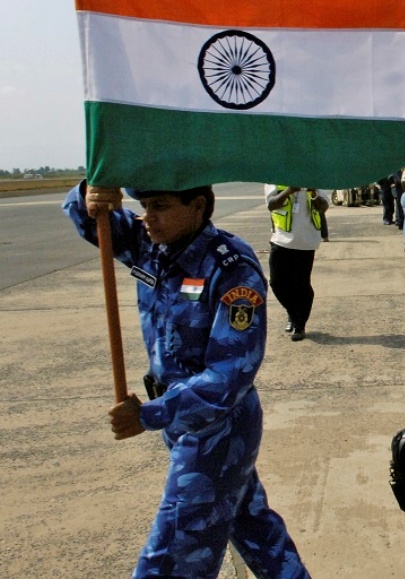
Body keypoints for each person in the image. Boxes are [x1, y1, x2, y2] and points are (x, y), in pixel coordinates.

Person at [64, 183, 310, 579]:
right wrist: (91, 191)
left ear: (197, 207)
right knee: (257, 534)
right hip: (182, 423)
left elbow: (230, 376)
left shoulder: (230, 267)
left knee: (172, 559)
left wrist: (149, 414)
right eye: (143, 206)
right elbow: (91, 220)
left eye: (160, 206)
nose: (148, 217)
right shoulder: (152, 246)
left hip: (216, 430)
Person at [265, 185, 329, 341]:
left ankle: (299, 325)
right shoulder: (277, 178)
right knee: (277, 282)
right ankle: (293, 313)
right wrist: (289, 190)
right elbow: (271, 204)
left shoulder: (313, 177)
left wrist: (313, 192)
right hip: (281, 240)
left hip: (306, 242)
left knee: (301, 285)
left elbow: (324, 206)